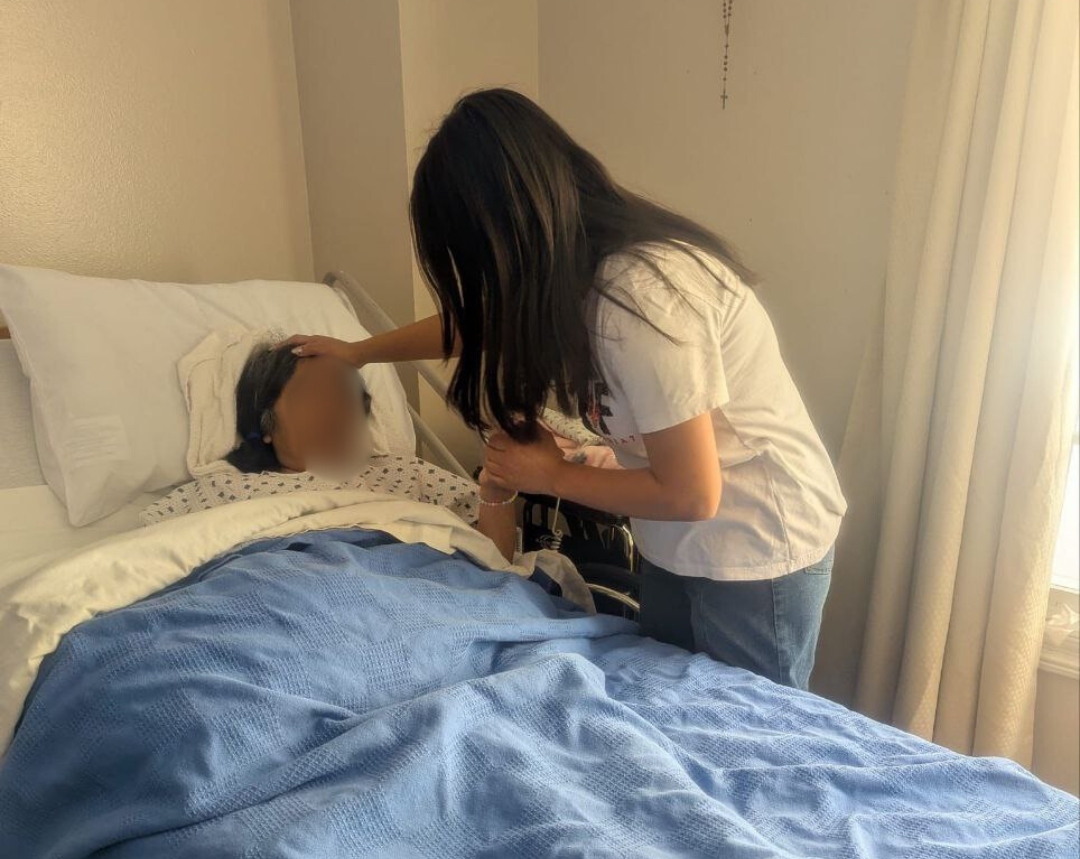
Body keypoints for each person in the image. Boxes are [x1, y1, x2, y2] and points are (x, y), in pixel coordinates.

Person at [287, 89, 847, 689]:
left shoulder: (641, 296)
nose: (481, 283)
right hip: (673, 541)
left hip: (755, 546)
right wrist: (358, 352)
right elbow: (477, 323)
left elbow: (693, 493)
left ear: (506, 232)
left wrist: (549, 474)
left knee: (744, 728)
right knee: (672, 704)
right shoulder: (570, 279)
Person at [146, 341, 518, 561]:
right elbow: (146, 566)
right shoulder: (220, 490)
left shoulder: (407, 472)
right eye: (311, 395)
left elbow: (495, 560)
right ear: (265, 425)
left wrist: (496, 488)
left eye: (344, 394)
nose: (334, 409)